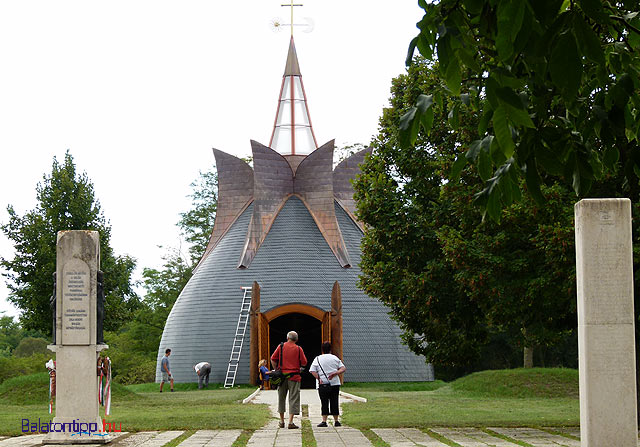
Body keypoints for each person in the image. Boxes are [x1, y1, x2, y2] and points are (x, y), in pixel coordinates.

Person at [271, 331, 307, 429]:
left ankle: (282, 421)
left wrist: (276, 369)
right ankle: (290, 422)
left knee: (281, 398)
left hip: (282, 377)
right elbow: (304, 362)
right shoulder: (299, 349)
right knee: (293, 398)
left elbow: (273, 359)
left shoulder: (281, 346)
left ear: (287, 338)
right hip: (294, 377)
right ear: (297, 339)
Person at [309, 341, 346, 427]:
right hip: (335, 384)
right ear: (330, 349)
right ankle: (336, 421)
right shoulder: (334, 358)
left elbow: (312, 370)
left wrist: (319, 378)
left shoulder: (317, 359)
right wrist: (336, 373)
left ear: (322, 349)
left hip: (322, 384)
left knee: (324, 402)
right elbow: (343, 368)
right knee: (334, 401)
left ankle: (324, 421)